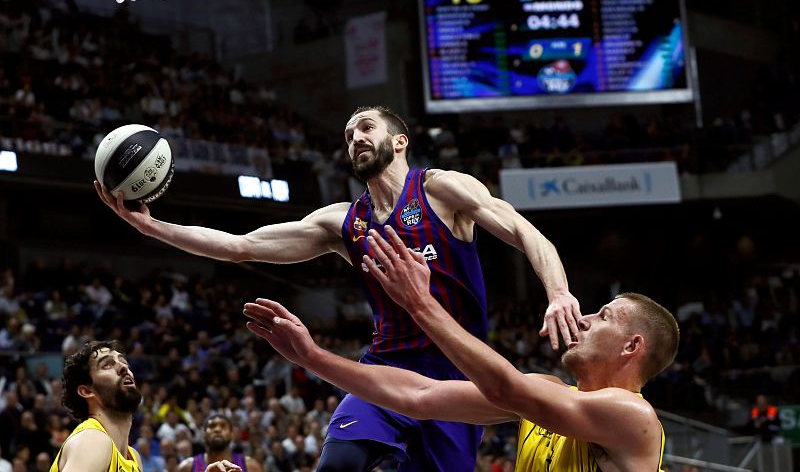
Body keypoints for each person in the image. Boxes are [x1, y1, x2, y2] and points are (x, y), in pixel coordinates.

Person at [96, 106, 580, 471]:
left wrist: (558, 292)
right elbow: (240, 245)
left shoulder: (441, 189)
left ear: (400, 141)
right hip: (384, 375)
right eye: (349, 135)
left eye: (366, 128)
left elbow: (524, 232)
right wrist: (152, 228)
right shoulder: (343, 222)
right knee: (338, 466)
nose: (355, 138)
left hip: (461, 380)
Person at [243, 226, 681, 471]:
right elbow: (419, 396)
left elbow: (507, 388)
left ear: (632, 346)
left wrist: (420, 304)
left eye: (602, 316)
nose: (584, 318)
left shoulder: (633, 417)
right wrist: (311, 357)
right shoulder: (547, 393)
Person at [49, 340, 242, 472]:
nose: (124, 367)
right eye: (107, 365)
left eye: (123, 361)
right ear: (87, 391)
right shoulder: (94, 440)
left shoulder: (133, 457)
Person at [178, 413, 263, 472]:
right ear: (204, 434)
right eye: (212, 426)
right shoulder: (186, 467)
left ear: (231, 435)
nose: (217, 429)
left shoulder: (251, 466)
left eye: (223, 426)